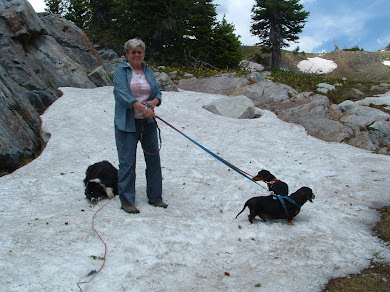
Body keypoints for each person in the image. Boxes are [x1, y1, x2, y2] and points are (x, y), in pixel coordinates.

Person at [113, 38, 167, 214]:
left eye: (139, 51)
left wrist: (154, 101)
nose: (137, 54)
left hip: (148, 123)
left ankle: (155, 197)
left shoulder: (148, 71)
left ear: (143, 54)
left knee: (153, 160)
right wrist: (143, 107)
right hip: (127, 124)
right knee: (127, 162)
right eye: (133, 52)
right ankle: (127, 201)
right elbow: (123, 95)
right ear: (127, 54)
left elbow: (157, 92)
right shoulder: (121, 72)